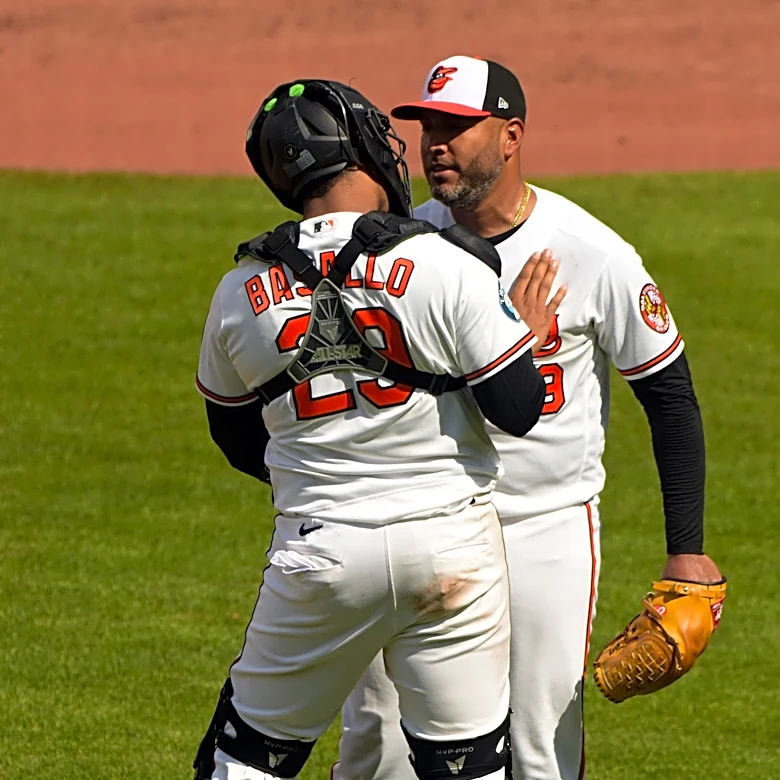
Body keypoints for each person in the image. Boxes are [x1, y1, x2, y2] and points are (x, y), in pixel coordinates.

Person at [334, 55, 726, 780]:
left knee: (541, 742)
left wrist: (687, 551)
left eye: (456, 127)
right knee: (379, 739)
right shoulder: (397, 245)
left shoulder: (594, 254)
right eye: (427, 127)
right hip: (427, 518)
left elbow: (670, 395)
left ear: (511, 136)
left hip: (543, 526)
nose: (434, 144)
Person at [191, 78, 562, 780]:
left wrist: (325, 456)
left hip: (320, 553)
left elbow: (237, 439)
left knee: (245, 758)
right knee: (469, 768)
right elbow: (518, 411)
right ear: (357, 148)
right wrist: (523, 334)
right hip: (453, 554)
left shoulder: (239, 289)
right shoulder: (445, 265)